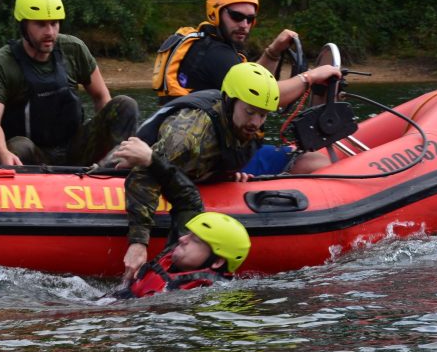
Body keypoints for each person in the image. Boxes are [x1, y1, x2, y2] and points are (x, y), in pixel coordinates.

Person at [115, 62, 332, 280]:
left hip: (183, 176)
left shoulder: (242, 122)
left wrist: (221, 175)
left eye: (263, 115)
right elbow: (143, 175)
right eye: (250, 112)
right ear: (229, 101)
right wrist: (138, 242)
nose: (256, 122)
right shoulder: (188, 135)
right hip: (140, 169)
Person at [0, 0, 138, 166]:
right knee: (19, 146)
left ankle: (115, 166)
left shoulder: (73, 49)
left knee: (125, 104)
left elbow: (101, 97)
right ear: (23, 25)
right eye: (40, 24)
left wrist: (108, 140)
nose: (50, 32)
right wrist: (2, 153)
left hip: (76, 149)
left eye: (54, 23)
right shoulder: (1, 63)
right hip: (33, 156)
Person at [152, 0, 307, 106]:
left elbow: (255, 82)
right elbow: (266, 96)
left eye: (250, 19)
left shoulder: (204, 44)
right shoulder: (216, 55)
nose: (244, 25)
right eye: (236, 16)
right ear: (214, 13)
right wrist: (310, 78)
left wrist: (273, 52)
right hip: (198, 140)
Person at [111, 211, 251, 298]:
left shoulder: (204, 296)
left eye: (194, 240)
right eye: (188, 234)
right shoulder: (173, 263)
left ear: (218, 262)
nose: (182, 239)